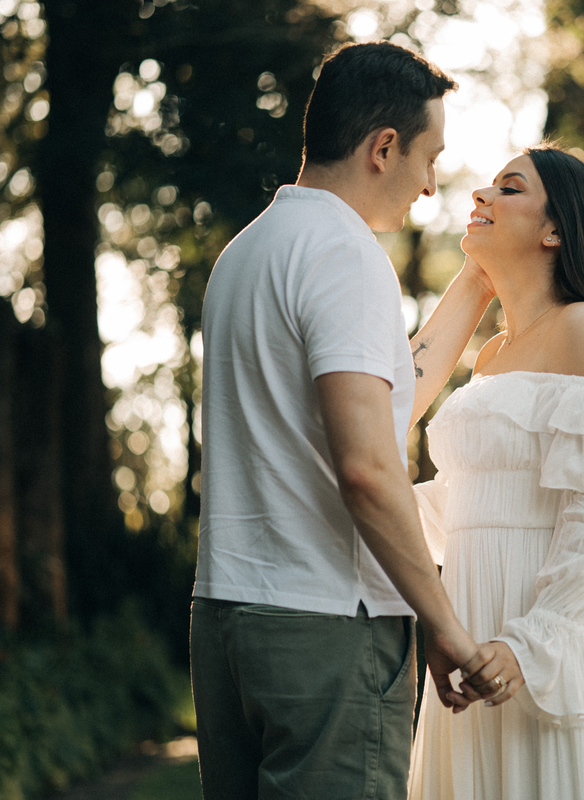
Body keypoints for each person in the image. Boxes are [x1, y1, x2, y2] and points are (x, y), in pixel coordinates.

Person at [189, 42, 500, 800]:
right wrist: (445, 626)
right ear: (382, 148)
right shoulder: (344, 254)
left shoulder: (249, 251)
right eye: (430, 158)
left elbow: (392, 398)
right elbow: (365, 468)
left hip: (228, 619)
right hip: (327, 626)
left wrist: (475, 281)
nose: (431, 187)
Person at [406, 145, 584, 799]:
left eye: (508, 188)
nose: (481, 195)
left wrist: (530, 644)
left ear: (556, 229)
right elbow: (467, 505)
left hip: (568, 638)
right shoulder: (490, 358)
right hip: (480, 626)